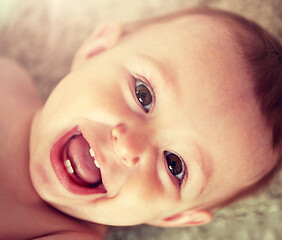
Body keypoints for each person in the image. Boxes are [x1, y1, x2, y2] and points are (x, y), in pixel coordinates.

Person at [1, 7, 281, 239]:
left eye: (175, 165)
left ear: (174, 217)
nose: (129, 145)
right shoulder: (11, 77)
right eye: (142, 94)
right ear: (97, 51)